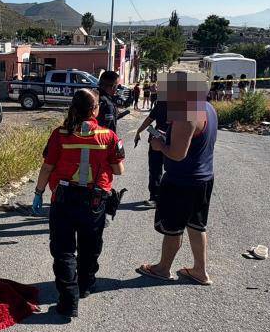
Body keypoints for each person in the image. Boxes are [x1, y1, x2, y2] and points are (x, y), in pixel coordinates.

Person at [32, 89, 125, 318]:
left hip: (64, 199)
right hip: (95, 201)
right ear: (95, 110)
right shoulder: (109, 136)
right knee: (90, 246)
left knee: (63, 250)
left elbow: (47, 167)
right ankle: (85, 286)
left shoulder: (60, 134)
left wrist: (38, 193)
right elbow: (118, 170)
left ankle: (68, 301)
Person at [136, 71, 217, 286]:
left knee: (173, 228)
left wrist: (159, 145)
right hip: (203, 178)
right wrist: (168, 138)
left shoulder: (186, 112)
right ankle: (200, 271)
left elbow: (178, 154)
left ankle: (163, 269)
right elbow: (194, 142)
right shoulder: (207, 108)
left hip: (182, 180)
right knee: (196, 225)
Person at [134, 98, 168, 207]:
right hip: (157, 139)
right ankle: (155, 197)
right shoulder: (161, 102)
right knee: (154, 169)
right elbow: (150, 118)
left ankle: (170, 197)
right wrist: (139, 131)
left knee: (173, 170)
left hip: (172, 141)